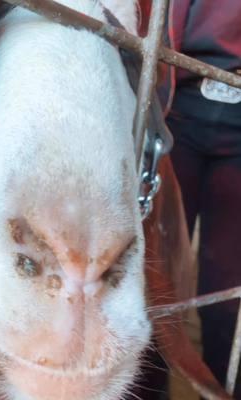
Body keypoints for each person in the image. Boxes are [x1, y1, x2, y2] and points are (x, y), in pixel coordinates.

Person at [150, 0, 241, 397]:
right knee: (156, 266)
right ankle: (149, 389)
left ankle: (224, 388)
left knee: (227, 278)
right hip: (177, 111)